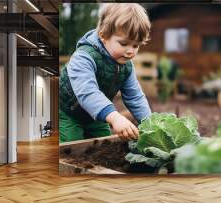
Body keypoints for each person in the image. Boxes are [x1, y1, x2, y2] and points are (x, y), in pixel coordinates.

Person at [59, 3, 152, 143]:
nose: (130, 51)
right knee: (72, 145)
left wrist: (150, 125)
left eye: (136, 45)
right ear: (103, 35)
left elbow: (135, 97)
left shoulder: (126, 66)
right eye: (124, 43)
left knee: (104, 144)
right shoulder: (83, 57)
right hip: (67, 113)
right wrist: (114, 117)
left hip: (96, 116)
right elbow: (87, 92)